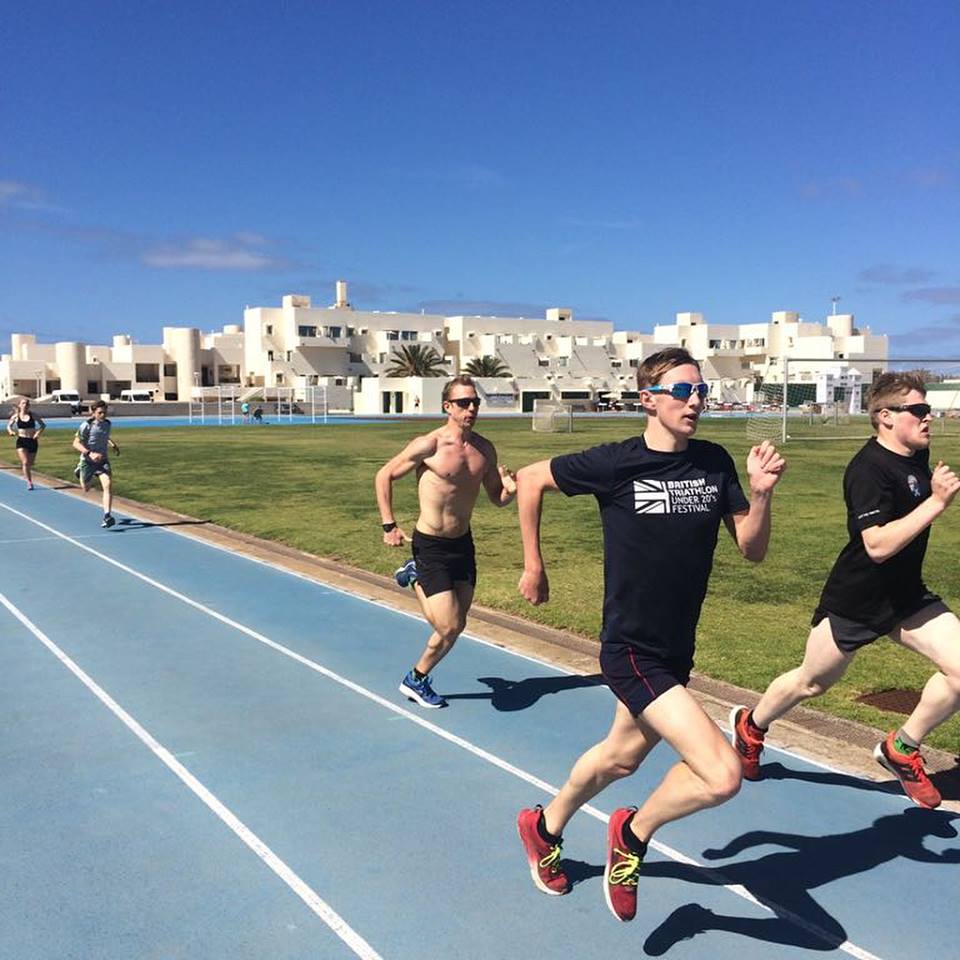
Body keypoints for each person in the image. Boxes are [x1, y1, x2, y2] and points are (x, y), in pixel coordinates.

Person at [514, 347, 785, 922]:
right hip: (631, 648)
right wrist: (534, 565)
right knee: (722, 774)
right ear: (648, 399)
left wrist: (761, 493)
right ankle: (633, 834)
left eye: (700, 391)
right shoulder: (616, 463)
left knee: (619, 759)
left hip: (676, 647)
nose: (695, 401)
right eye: (682, 391)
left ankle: (544, 827)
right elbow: (531, 479)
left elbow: (753, 550)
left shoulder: (713, 462)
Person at [731, 372, 960, 809]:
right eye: (918, 410)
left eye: (928, 409)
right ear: (885, 417)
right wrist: (936, 502)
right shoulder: (867, 470)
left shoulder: (917, 455)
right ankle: (751, 726)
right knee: (811, 682)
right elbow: (877, 546)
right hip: (857, 599)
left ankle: (902, 747)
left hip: (907, 596)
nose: (928, 417)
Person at [375, 375, 516, 708]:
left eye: (475, 402)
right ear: (447, 407)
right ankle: (416, 677)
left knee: (457, 624)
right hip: (431, 545)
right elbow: (384, 475)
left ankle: (418, 674)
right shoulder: (430, 445)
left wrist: (510, 490)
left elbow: (496, 497)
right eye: (464, 403)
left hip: (463, 545)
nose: (471, 409)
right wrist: (389, 525)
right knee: (449, 625)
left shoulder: (484, 450)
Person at [72, 400, 121, 528]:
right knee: (86, 489)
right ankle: (79, 471)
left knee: (108, 485)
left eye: (105, 412)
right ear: (93, 413)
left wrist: (113, 444)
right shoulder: (86, 426)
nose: (103, 415)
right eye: (100, 413)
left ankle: (107, 516)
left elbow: (104, 435)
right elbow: (76, 443)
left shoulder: (107, 424)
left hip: (102, 460)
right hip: (88, 461)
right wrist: (90, 453)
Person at [7, 396, 46, 489]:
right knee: (25, 462)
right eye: (23, 403)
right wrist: (11, 431)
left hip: (32, 441)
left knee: (30, 463)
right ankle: (29, 482)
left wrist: (37, 433)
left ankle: (26, 473)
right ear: (19, 405)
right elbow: (9, 426)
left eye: (27, 403)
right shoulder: (16, 416)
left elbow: (43, 425)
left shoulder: (33, 415)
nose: (25, 405)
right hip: (21, 441)